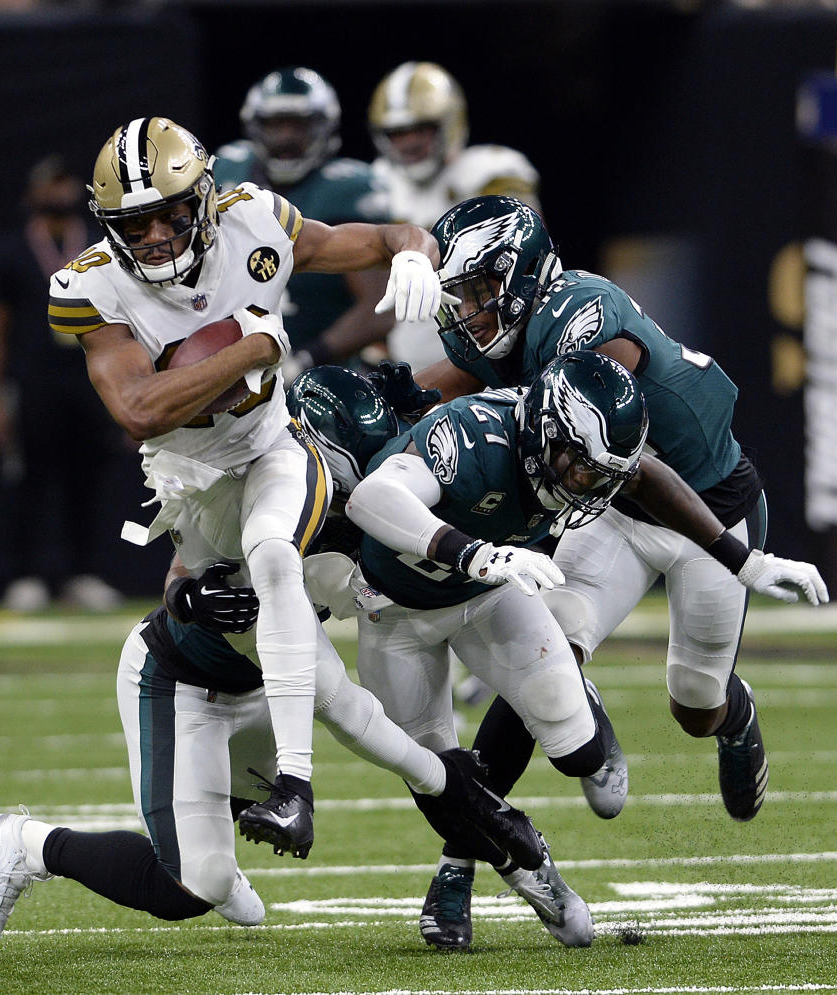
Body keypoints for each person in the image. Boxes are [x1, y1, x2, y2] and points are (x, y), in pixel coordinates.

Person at [45, 116, 446, 862]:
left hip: (273, 446)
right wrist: (256, 345)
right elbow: (139, 410)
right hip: (188, 480)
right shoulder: (86, 284)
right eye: (138, 222)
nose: (159, 234)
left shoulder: (255, 220)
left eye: (171, 212)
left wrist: (415, 253)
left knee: (278, 557)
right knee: (215, 608)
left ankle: (304, 782)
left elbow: (386, 234)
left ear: (203, 198)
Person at [334, 350, 825, 950]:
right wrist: (475, 553)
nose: (586, 485)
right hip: (401, 614)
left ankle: (591, 735)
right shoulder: (473, 438)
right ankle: (533, 877)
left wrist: (743, 561)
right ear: (546, 430)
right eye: (581, 468)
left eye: (601, 475)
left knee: (581, 756)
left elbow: (641, 477)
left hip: (486, 597)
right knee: (440, 780)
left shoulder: (589, 457)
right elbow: (371, 500)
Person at [414, 194, 829, 833]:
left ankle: (734, 711)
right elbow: (439, 387)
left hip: (703, 510)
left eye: (481, 290)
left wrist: (742, 558)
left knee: (696, 703)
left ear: (520, 272)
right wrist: (370, 407)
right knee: (545, 651)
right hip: (609, 510)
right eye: (462, 295)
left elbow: (624, 462)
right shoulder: (510, 331)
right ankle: (464, 857)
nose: (470, 311)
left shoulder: (586, 319)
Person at [0, 551, 546, 957]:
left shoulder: (351, 509)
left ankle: (209, 839)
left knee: (253, 808)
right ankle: (22, 843)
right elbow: (345, 709)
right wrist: (187, 596)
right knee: (192, 890)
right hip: (177, 684)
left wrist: (443, 776)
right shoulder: (262, 499)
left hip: (264, 690)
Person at [0, 154, 127, 612]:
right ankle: (26, 574)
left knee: (89, 477)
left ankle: (83, 572)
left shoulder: (102, 246)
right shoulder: (12, 251)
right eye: (51, 184)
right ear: (32, 193)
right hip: (33, 381)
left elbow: (129, 320)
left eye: (67, 183)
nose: (60, 192)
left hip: (90, 378)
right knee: (29, 479)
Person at [214, 67, 394, 380]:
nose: (286, 138)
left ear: (324, 126)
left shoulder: (346, 189)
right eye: (275, 125)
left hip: (321, 377)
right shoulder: (228, 170)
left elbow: (380, 308)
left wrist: (306, 360)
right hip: (227, 366)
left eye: (298, 125)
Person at [367, 61, 541, 374]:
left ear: (449, 123)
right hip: (407, 358)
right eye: (397, 133)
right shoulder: (378, 182)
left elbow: (525, 261)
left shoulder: (490, 173)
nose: (409, 143)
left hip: (492, 352)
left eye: (420, 129)